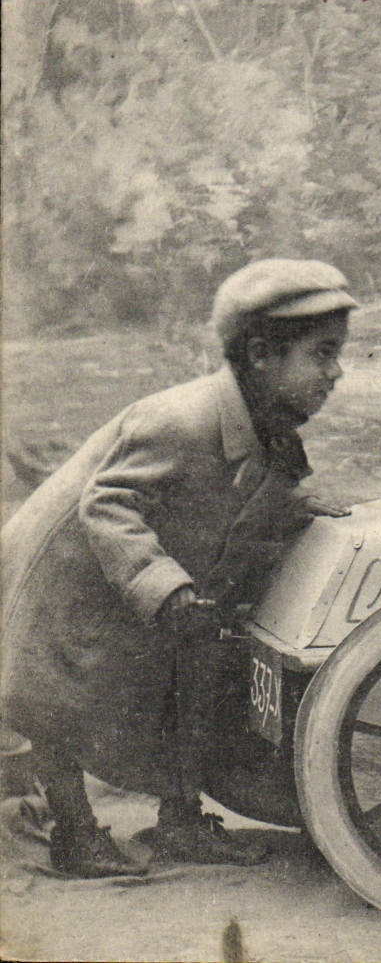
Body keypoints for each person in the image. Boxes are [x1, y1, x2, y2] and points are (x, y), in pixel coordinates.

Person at [0, 259, 356, 877]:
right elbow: (107, 504)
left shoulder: (264, 423)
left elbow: (238, 483)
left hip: (132, 570)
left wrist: (291, 504)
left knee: (185, 685)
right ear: (262, 355)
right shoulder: (179, 420)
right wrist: (164, 587)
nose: (336, 373)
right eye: (322, 355)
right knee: (58, 696)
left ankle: (182, 821)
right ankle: (74, 830)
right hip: (65, 572)